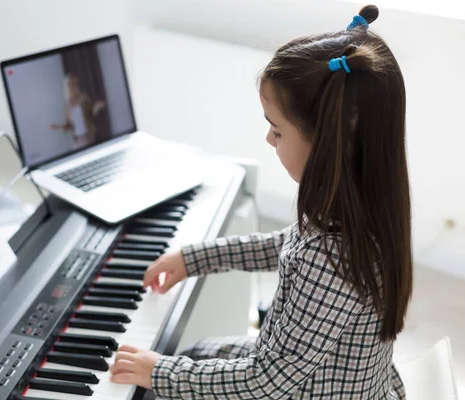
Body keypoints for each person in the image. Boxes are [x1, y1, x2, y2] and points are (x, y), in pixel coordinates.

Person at [109, 5, 412, 399]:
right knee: (196, 352)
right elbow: (284, 245)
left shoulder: (330, 260)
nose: (270, 141)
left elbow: (264, 382)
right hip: (334, 378)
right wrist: (194, 258)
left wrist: (161, 374)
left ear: (330, 142)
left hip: (300, 388)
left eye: (277, 130)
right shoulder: (363, 211)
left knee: (159, 381)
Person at [50, 73, 105, 146]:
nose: (71, 87)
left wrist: (97, 107)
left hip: (87, 136)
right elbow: (70, 126)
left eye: (73, 84)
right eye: (69, 84)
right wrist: (58, 127)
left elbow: (91, 116)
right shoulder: (67, 106)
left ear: (76, 85)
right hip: (76, 140)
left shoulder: (84, 98)